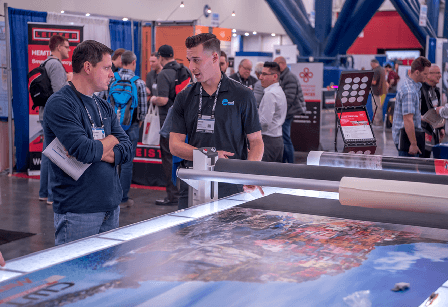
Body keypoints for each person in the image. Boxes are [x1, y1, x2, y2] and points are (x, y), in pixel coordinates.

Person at [43, 40, 133, 245]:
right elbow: (85, 151)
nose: (112, 74)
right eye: (107, 68)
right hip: (78, 211)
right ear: (87, 67)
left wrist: (98, 148)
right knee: (76, 276)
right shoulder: (61, 103)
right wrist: (111, 139)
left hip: (111, 206)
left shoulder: (103, 105)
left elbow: (127, 149)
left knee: (107, 276)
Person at [170, 33, 264, 210]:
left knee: (231, 237)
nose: (191, 67)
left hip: (231, 183)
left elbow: (256, 141)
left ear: (214, 57)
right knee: (188, 237)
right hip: (193, 182)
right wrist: (209, 155)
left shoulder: (242, 95)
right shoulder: (184, 97)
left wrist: (250, 173)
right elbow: (174, 145)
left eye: (197, 60)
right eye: (189, 60)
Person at [108, 51, 148, 208]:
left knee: (111, 161)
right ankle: (123, 199)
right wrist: (137, 124)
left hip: (112, 128)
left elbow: (104, 103)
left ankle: (110, 195)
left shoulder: (112, 79)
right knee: (126, 163)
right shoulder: (139, 83)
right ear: (134, 62)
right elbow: (143, 110)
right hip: (131, 127)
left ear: (121, 61)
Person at [150, 45, 185, 206]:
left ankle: (172, 196)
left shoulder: (164, 73)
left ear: (160, 57)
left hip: (167, 123)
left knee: (168, 159)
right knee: (183, 158)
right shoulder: (183, 70)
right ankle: (183, 194)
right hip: (184, 123)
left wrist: (152, 99)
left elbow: (163, 100)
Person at [39, 35, 71, 206]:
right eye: (66, 46)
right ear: (58, 47)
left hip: (44, 113)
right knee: (55, 154)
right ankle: (52, 195)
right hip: (54, 116)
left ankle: (44, 193)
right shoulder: (56, 65)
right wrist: (70, 80)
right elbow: (60, 93)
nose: (69, 50)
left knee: (47, 153)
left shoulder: (44, 63)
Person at [392, 56, 431, 157]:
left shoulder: (413, 88)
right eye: (425, 74)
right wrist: (413, 144)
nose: (427, 77)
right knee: (408, 172)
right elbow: (408, 120)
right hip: (407, 141)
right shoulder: (410, 92)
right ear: (417, 72)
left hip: (407, 137)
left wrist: (424, 118)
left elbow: (409, 115)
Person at [273, 56, 305, 163]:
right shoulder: (283, 76)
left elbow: (288, 99)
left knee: (286, 139)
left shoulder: (289, 77)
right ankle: (284, 162)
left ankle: (291, 164)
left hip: (287, 113)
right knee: (283, 139)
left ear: (282, 64)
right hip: (285, 112)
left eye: (276, 65)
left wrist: (278, 113)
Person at [258, 62, 287, 162]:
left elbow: (265, 122)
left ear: (274, 76)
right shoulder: (279, 91)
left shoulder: (270, 94)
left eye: (264, 74)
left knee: (263, 175)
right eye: (261, 74)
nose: (260, 77)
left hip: (268, 140)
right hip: (277, 139)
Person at [421, 65, 444, 158]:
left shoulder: (436, 91)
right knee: (423, 159)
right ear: (428, 75)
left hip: (434, 133)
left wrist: (442, 128)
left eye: (440, 73)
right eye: (437, 73)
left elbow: (438, 110)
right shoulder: (420, 90)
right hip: (423, 133)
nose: (440, 75)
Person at [370, 59, 387, 126]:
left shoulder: (376, 70)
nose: (371, 66)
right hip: (383, 92)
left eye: (371, 65)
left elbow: (374, 82)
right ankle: (379, 122)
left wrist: (368, 80)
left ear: (373, 64)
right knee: (379, 107)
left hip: (377, 92)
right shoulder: (382, 69)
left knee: (376, 108)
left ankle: (377, 123)